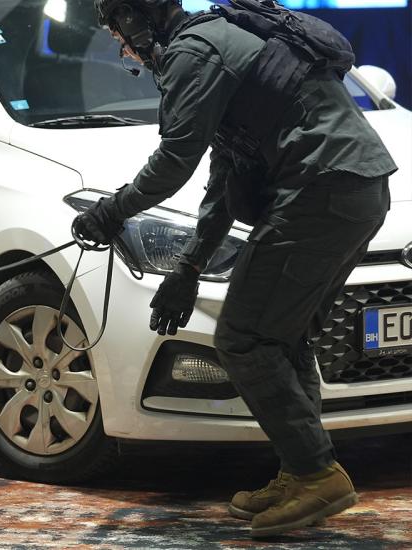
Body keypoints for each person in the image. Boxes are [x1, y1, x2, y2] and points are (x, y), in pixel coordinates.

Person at [74, 0, 396, 539]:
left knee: (244, 338)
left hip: (322, 191)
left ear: (136, 18)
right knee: (283, 339)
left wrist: (112, 211)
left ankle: (317, 473)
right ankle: (300, 471)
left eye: (116, 31)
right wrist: (190, 267)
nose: (120, 46)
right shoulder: (216, 41)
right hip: (354, 189)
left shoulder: (192, 53)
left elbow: (175, 160)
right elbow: (225, 175)